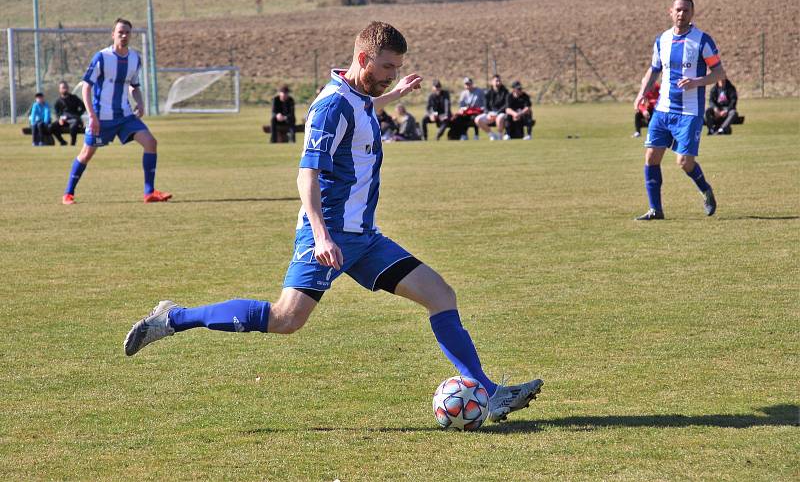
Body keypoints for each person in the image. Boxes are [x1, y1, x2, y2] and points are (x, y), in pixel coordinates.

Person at [124, 21, 543, 424]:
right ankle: (173, 319)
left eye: (397, 67)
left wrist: (393, 94)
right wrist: (322, 236)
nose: (392, 73)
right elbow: (307, 174)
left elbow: (362, 109)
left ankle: (487, 393)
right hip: (327, 234)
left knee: (440, 294)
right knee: (286, 319)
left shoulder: (356, 97)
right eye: (387, 67)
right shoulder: (329, 107)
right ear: (364, 58)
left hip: (363, 238)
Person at [61, 18, 171, 205]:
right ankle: (68, 194)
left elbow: (134, 86)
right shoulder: (102, 57)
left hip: (125, 116)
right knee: (87, 153)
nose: (124, 35)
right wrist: (92, 117)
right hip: (101, 118)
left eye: (127, 32)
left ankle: (149, 192)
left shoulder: (135, 59)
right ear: (113, 35)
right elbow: (86, 87)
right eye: (120, 32)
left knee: (151, 143)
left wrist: (141, 103)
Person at [634, 0, 723, 220]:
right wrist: (641, 94)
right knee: (651, 157)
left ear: (692, 14)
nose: (681, 14)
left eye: (685, 10)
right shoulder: (661, 40)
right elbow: (654, 70)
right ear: (670, 12)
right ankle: (655, 209)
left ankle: (705, 189)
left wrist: (697, 82)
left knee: (684, 162)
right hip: (663, 110)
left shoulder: (702, 40)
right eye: (678, 10)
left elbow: (719, 73)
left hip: (689, 111)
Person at [53, 80, 87, 146]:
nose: (65, 89)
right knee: (51, 126)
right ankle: (62, 141)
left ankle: (73, 143)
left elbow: (83, 107)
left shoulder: (74, 98)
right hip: (63, 121)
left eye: (66, 87)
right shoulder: (58, 101)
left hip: (74, 120)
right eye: (63, 87)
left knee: (74, 125)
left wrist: (78, 115)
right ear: (59, 90)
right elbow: (56, 113)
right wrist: (59, 119)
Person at [476, 74, 508, 141]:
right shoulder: (488, 92)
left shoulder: (505, 92)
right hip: (490, 114)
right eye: (496, 81)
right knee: (477, 119)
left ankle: (499, 136)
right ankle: (492, 135)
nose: (498, 83)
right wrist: (488, 113)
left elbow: (506, 104)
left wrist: (497, 113)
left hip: (501, 113)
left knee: (499, 118)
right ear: (492, 82)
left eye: (499, 81)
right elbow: (485, 105)